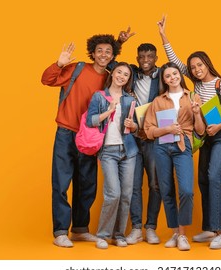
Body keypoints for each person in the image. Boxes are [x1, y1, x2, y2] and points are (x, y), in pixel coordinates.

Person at [41, 29, 135, 248]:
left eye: (108, 52)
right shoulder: (76, 69)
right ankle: (61, 231)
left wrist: (119, 43)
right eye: (99, 50)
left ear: (113, 56)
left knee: (87, 183)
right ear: (92, 53)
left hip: (91, 136)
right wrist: (59, 63)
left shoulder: (110, 77)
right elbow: (47, 79)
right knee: (62, 182)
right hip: (67, 131)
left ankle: (81, 229)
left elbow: (123, 71)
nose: (103, 54)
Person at [157, 15, 221, 249]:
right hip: (205, 138)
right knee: (203, 180)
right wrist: (164, 36)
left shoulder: (219, 84)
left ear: (207, 64)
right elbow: (173, 62)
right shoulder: (194, 83)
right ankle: (209, 228)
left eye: (200, 65)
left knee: (215, 178)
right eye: (193, 67)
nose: (196, 69)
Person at [144, 62, 205, 251]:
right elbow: (148, 130)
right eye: (168, 76)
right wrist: (166, 129)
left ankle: (183, 235)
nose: (172, 78)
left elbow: (201, 131)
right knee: (166, 190)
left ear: (180, 75)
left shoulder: (193, 96)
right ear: (164, 80)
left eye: (175, 74)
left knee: (186, 190)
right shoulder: (158, 101)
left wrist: (196, 114)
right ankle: (175, 233)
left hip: (183, 144)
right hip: (161, 147)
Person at [86, 62, 139, 249]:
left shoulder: (130, 99)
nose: (122, 76)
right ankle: (103, 235)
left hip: (128, 151)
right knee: (113, 194)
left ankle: (119, 235)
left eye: (126, 74)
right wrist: (109, 110)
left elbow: (137, 128)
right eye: (119, 72)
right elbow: (90, 120)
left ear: (128, 79)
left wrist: (133, 126)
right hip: (107, 151)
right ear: (113, 73)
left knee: (125, 195)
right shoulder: (99, 97)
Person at [125, 43, 162, 245]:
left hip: (153, 138)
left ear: (156, 58)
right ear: (137, 58)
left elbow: (178, 85)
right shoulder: (132, 74)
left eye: (149, 56)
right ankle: (136, 228)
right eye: (141, 56)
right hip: (132, 137)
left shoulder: (163, 74)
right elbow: (112, 66)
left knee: (155, 183)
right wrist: (120, 42)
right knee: (133, 185)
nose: (145, 60)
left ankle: (151, 227)